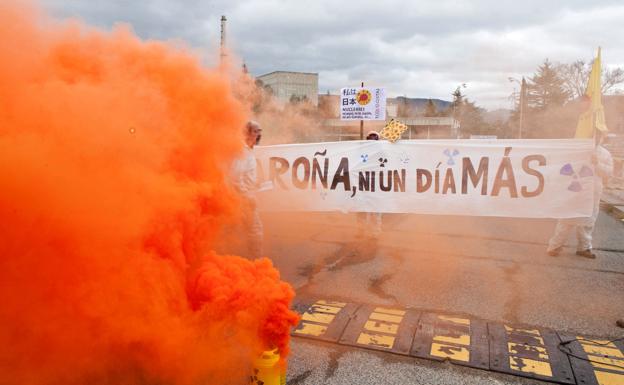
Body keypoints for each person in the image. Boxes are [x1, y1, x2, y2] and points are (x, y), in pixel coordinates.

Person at [547, 131, 613, 258]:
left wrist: (597, 163)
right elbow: (564, 168)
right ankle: (555, 246)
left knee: (588, 221)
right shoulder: (575, 150)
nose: (596, 137)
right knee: (566, 219)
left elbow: (608, 173)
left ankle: (584, 248)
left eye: (599, 135)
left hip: (592, 193)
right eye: (594, 134)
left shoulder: (605, 154)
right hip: (573, 189)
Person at [230, 120, 263, 259]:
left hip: (244, 196)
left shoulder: (247, 151)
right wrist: (247, 196)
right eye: (256, 131)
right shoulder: (242, 152)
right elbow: (235, 177)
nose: (259, 134)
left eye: (260, 131)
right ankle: (256, 262)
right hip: (244, 199)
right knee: (255, 230)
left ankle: (249, 259)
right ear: (246, 133)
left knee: (245, 230)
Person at [357, 131, 383, 237]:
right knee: (361, 209)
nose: (372, 140)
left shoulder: (382, 151)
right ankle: (361, 231)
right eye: (370, 138)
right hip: (364, 183)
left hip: (377, 185)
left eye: (374, 138)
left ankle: (375, 232)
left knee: (376, 210)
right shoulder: (361, 151)